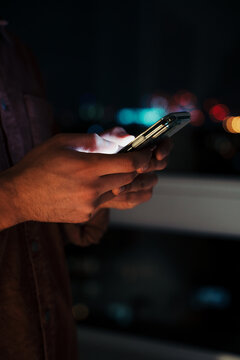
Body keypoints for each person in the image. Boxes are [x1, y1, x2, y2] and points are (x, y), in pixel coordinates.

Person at [0, 20, 172, 360]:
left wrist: (97, 187)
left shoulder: (15, 53)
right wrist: (14, 198)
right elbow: (23, 196)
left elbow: (44, 223)